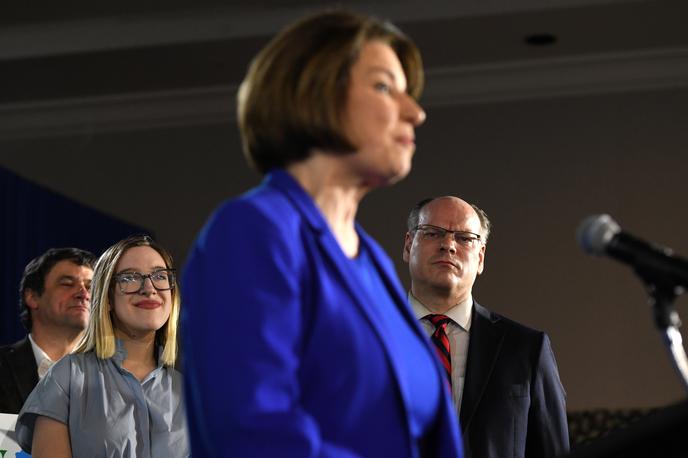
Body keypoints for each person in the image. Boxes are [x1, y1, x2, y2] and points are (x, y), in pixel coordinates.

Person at [182, 9, 463, 458]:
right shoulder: (253, 232)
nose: (416, 112)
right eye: (385, 87)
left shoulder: (370, 258)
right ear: (316, 95)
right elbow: (252, 434)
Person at [403, 196, 570, 458]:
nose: (448, 245)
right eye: (433, 233)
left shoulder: (526, 349)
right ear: (408, 245)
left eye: (465, 238)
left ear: (480, 257)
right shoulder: (369, 337)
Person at [15, 235, 189, 457]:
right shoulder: (66, 377)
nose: (149, 288)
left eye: (160, 276)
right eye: (129, 278)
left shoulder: (189, 393)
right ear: (106, 297)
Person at [0, 247, 95, 414]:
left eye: (90, 286)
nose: (83, 293)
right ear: (33, 297)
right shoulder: (3, 366)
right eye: (67, 284)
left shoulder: (114, 376)